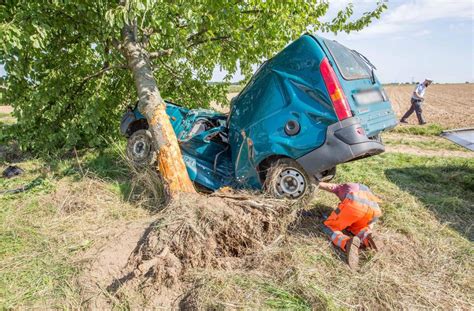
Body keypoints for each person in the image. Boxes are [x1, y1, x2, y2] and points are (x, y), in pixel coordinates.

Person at [319, 182, 383, 269]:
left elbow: (331, 187)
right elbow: (372, 222)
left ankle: (346, 243)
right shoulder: (367, 192)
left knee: (328, 226)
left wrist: (314, 182)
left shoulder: (344, 186)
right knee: (359, 228)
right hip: (374, 212)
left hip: (354, 207)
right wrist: (368, 229)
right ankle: (367, 236)